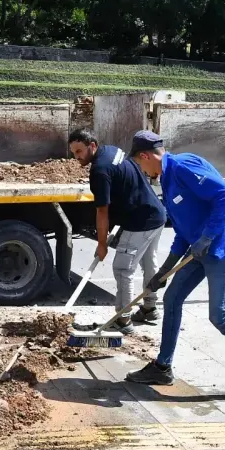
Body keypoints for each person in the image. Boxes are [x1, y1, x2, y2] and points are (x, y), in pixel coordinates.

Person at [125, 130, 225, 402]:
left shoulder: (183, 167)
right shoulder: (167, 180)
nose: (143, 171)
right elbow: (183, 231)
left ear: (145, 156)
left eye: (141, 164)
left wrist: (207, 237)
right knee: (172, 298)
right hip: (199, 248)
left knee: (219, 315)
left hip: (223, 246)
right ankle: (163, 367)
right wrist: (164, 270)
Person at [68, 129, 167, 334]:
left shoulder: (99, 170)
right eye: (74, 153)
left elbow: (102, 211)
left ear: (92, 146)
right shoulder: (113, 151)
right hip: (156, 213)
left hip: (140, 222)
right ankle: (149, 307)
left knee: (123, 269)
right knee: (149, 262)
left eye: (79, 151)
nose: (76, 157)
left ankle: (123, 320)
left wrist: (102, 244)